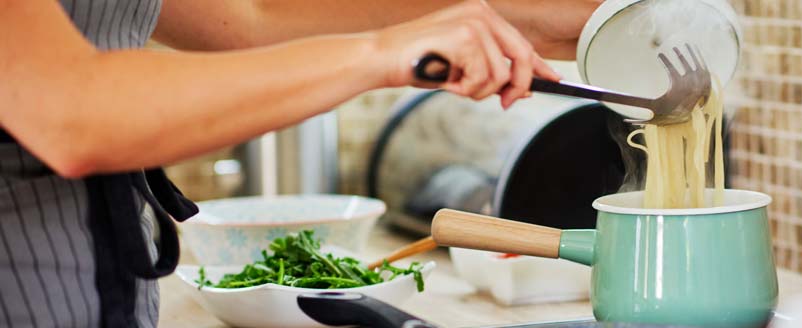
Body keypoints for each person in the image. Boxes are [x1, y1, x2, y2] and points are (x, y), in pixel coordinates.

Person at [0, 0, 600, 327]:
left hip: (107, 286)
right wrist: (381, 53)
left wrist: (522, 15)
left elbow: (248, 18)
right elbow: (69, 109)